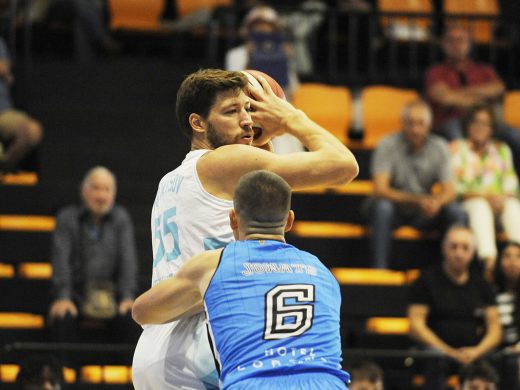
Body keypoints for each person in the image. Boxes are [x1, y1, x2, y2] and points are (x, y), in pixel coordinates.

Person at [132, 68, 358, 389]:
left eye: (248, 110)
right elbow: (343, 166)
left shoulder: (171, 179)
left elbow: (265, 186)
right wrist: (291, 117)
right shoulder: (223, 162)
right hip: (207, 342)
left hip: (159, 344)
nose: (247, 120)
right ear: (197, 123)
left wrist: (260, 138)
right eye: (231, 112)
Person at [132, 170, 350, 389]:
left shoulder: (212, 265)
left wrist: (206, 297)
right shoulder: (322, 272)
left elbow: (143, 311)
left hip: (252, 383)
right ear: (289, 220)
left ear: (232, 219)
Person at [366, 99, 466, 269]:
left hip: (424, 213)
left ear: (429, 125)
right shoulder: (387, 144)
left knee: (456, 211)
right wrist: (419, 200)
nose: (415, 129)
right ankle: (379, 269)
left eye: (420, 124)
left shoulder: (440, 147)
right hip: (394, 210)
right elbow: (380, 189)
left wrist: (436, 202)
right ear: (402, 124)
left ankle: (452, 270)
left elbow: (450, 191)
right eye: (410, 123)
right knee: (382, 207)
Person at [48, 166, 140, 345]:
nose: (101, 196)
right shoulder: (67, 218)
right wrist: (63, 297)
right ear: (84, 191)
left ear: (113, 194)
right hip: (76, 296)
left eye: (106, 189)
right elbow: (61, 261)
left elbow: (128, 261)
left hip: (112, 298)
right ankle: (67, 372)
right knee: (62, 317)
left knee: (133, 319)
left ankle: (128, 373)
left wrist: (127, 296)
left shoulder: (121, 219)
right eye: (96, 188)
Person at [407, 225, 501, 390]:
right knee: (434, 360)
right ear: (444, 249)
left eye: (465, 248)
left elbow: (495, 330)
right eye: (454, 246)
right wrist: (448, 352)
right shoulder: (426, 281)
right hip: (437, 353)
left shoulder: (482, 284)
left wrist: (476, 352)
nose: (459, 253)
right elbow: (416, 326)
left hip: (474, 355)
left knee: (499, 362)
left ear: (473, 252)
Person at [425, 24, 520, 173]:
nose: (456, 45)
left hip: (486, 122)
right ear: (443, 44)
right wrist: (479, 98)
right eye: (451, 40)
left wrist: (458, 93)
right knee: (457, 138)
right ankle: (466, 181)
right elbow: (444, 97)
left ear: (469, 45)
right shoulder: (436, 72)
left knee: (516, 136)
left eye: (461, 40)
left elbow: (498, 88)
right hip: (452, 121)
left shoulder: (484, 70)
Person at [450, 104, 520, 273]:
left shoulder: (501, 150)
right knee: (480, 207)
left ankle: (517, 260)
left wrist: (501, 198)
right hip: (469, 203)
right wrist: (485, 196)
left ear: (492, 128)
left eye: (485, 124)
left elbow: (512, 184)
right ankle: (488, 264)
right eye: (476, 122)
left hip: (500, 203)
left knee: (513, 206)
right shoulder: (457, 149)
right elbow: (455, 187)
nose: (480, 128)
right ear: (467, 125)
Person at [225, 5, 304, 154]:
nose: (263, 32)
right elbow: (232, 89)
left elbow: (292, 89)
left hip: (278, 114)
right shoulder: (236, 54)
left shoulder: (283, 55)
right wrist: (250, 58)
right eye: (258, 28)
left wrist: (285, 61)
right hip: (246, 116)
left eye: (268, 28)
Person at [0, 37, 43, 173]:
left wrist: (5, 72)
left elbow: (4, 68)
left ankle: (4, 167)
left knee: (32, 130)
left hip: (4, 112)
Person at [493, 241, 520, 389]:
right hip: (496, 352)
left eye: (518, 256)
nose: (512, 262)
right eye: (507, 256)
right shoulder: (490, 294)